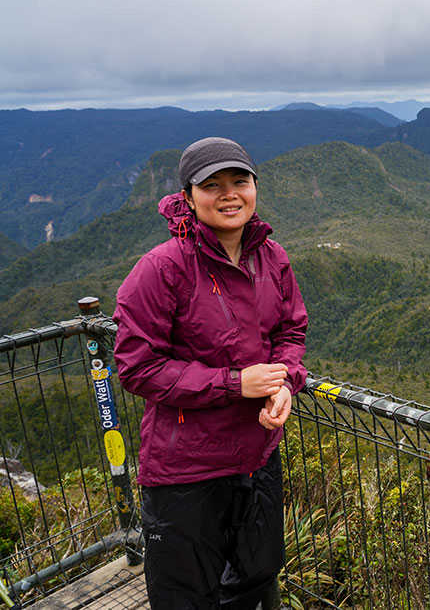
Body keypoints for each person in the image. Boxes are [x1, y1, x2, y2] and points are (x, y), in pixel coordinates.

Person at [113, 137, 308, 610]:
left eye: (239, 181)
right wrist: (234, 383)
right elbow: (138, 366)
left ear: (255, 186)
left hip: (257, 455)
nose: (228, 194)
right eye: (212, 185)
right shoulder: (161, 269)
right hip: (186, 470)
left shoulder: (272, 258)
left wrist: (284, 385)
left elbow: (290, 333)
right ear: (188, 196)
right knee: (185, 593)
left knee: (258, 571)